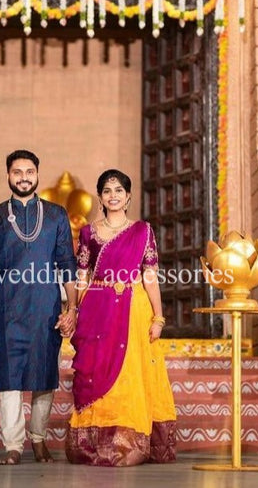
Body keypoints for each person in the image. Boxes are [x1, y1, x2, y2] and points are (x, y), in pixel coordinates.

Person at [64, 169, 177, 467]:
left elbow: (150, 277)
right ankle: (93, 445)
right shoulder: (88, 232)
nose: (113, 195)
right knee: (93, 372)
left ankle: (127, 444)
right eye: (107, 190)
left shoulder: (143, 231)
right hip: (97, 308)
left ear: (128, 197)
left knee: (129, 376)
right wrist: (74, 309)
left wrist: (159, 317)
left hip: (133, 309)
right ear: (100, 197)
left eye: (118, 190)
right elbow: (82, 276)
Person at [0, 149, 77, 465]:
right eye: (17, 171)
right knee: (10, 376)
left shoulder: (57, 215)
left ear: (37, 174)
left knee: (44, 373)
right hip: (7, 308)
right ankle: (13, 446)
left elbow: (67, 264)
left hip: (47, 307)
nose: (23, 177)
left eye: (29, 171)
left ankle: (38, 440)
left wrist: (71, 308)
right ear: (8, 175)